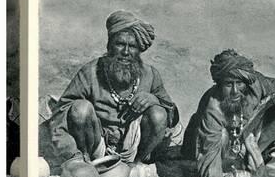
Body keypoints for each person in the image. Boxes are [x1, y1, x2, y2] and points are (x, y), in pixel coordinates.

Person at [49, 10, 179, 168]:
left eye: (132, 46)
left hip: (133, 147)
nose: (125, 52)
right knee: (80, 108)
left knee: (159, 113)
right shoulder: (90, 72)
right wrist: (71, 153)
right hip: (97, 143)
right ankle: (86, 162)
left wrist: (154, 100)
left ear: (139, 50)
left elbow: (172, 117)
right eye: (120, 44)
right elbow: (62, 111)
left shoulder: (150, 74)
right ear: (110, 45)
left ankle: (137, 166)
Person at [181, 49, 275, 177]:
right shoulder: (213, 107)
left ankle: (247, 158)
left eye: (239, 83)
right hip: (208, 143)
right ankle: (233, 167)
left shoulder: (257, 84)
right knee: (224, 136)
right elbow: (209, 154)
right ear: (219, 84)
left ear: (246, 82)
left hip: (240, 138)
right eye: (228, 84)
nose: (235, 91)